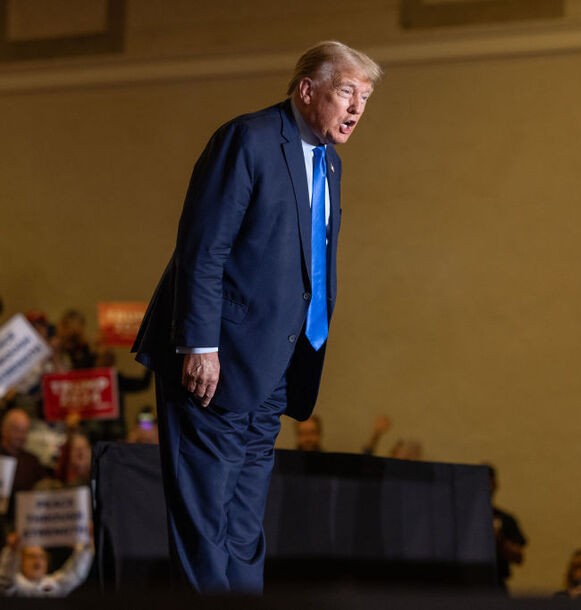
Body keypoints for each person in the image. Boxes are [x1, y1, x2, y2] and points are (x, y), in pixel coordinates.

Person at [132, 41, 382, 594]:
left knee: (244, 526)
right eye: (347, 92)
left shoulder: (330, 163)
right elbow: (204, 249)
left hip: (273, 364)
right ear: (307, 89)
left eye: (364, 97)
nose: (357, 109)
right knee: (205, 524)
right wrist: (198, 346)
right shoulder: (247, 139)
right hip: (212, 361)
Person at [0, 532, 94, 597]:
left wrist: (86, 545)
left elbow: (75, 574)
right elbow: (5, 579)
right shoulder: (15, 583)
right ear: (21, 560)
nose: (37, 561)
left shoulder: (53, 584)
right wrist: (11, 551)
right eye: (31, 556)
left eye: (42, 557)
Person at [0, 409, 47, 533]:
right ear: (4, 430)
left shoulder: (32, 461)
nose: (21, 436)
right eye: (17, 430)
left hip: (26, 525)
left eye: (25, 431)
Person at [485, 464, 526, 591]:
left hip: (496, 584)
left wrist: (499, 539)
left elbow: (519, 557)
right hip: (465, 587)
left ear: (495, 484)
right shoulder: (463, 519)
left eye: (488, 483)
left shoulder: (505, 519)